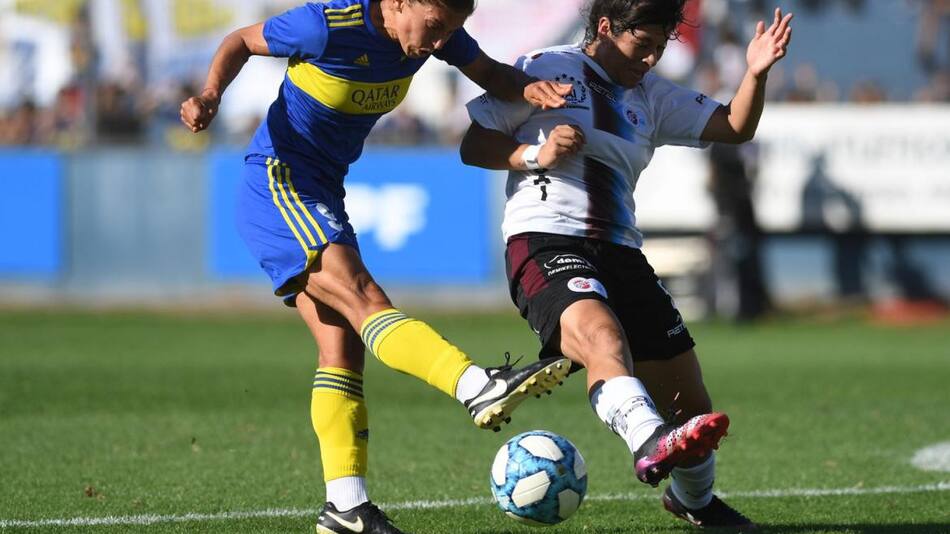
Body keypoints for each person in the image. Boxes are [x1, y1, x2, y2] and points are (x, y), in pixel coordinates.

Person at [180, 1, 576, 532]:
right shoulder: (325, 25)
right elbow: (240, 41)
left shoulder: (435, 35)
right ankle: (475, 385)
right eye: (435, 26)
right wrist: (210, 95)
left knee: (341, 350)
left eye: (450, 30)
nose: (440, 41)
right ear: (398, 3)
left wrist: (528, 89)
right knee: (365, 298)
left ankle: (346, 507)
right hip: (278, 182)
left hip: (323, 190)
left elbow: (491, 73)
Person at [460, 0, 792, 529]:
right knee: (601, 338)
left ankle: (694, 502)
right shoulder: (545, 67)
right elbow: (474, 142)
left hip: (620, 251)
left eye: (662, 47)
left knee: (690, 405)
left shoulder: (653, 96)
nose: (652, 58)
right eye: (643, 45)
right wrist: (534, 156)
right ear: (608, 27)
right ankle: (648, 440)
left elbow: (734, 126)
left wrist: (755, 72)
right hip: (544, 239)